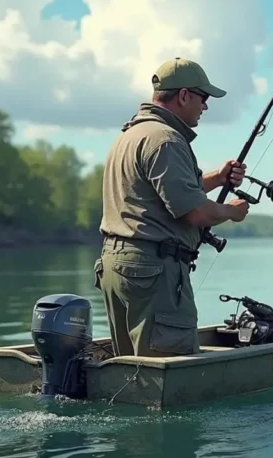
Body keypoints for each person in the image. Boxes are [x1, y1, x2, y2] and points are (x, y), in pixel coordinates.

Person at [93, 57, 250, 358]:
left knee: (129, 369)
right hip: (152, 272)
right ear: (184, 96)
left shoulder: (130, 135)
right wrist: (232, 212)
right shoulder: (165, 140)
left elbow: (162, 194)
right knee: (167, 373)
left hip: (115, 267)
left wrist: (217, 178)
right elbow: (195, 212)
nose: (205, 107)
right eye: (203, 98)